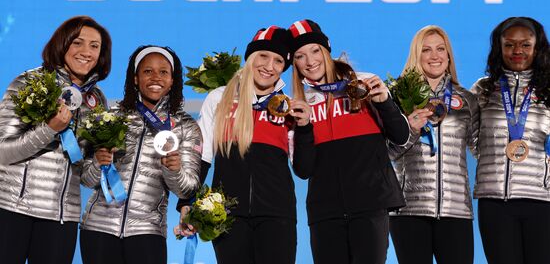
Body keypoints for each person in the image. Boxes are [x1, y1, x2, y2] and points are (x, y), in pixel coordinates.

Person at [175, 26, 314, 264]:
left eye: (278, 61)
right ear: (250, 57)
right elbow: (203, 156)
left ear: (283, 68)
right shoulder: (219, 98)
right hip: (227, 216)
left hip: (277, 216)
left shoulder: (288, 107)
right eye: (263, 56)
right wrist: (186, 202)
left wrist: (305, 128)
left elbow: (303, 169)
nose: (269, 66)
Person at [288, 19, 409, 264]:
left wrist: (385, 102)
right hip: (325, 212)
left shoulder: (363, 84)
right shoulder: (297, 103)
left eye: (315, 51)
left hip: (370, 206)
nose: (310, 62)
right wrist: (304, 128)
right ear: (294, 63)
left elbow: (401, 136)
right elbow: (303, 170)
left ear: (326, 50)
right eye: (300, 56)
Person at [0, 16, 112, 264]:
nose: (86, 52)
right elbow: (3, 152)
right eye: (78, 43)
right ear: (62, 44)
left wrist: (101, 163)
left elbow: (85, 176)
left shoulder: (97, 101)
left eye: (95, 46)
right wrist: (50, 129)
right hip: (11, 210)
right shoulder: (28, 84)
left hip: (63, 219)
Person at [79, 45, 202, 264]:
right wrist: (98, 163)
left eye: (163, 72)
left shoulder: (186, 127)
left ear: (173, 80)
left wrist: (173, 170)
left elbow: (189, 187)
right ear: (135, 78)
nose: (156, 77)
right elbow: (87, 179)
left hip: (147, 231)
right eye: (148, 71)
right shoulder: (110, 118)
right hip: (98, 228)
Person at [388, 25, 479, 264]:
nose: (434, 56)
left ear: (449, 56)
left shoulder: (466, 100)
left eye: (441, 49)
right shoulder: (396, 96)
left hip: (455, 209)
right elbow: (387, 152)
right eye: (426, 50)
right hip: (408, 210)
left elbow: (482, 149)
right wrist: (412, 129)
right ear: (416, 55)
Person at [471, 17, 550, 264]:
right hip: (495, 202)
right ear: (499, 47)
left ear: (537, 48)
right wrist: (495, 158)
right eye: (509, 45)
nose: (517, 51)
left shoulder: (549, 89)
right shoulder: (483, 89)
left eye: (525, 45)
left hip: (543, 200)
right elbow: (472, 137)